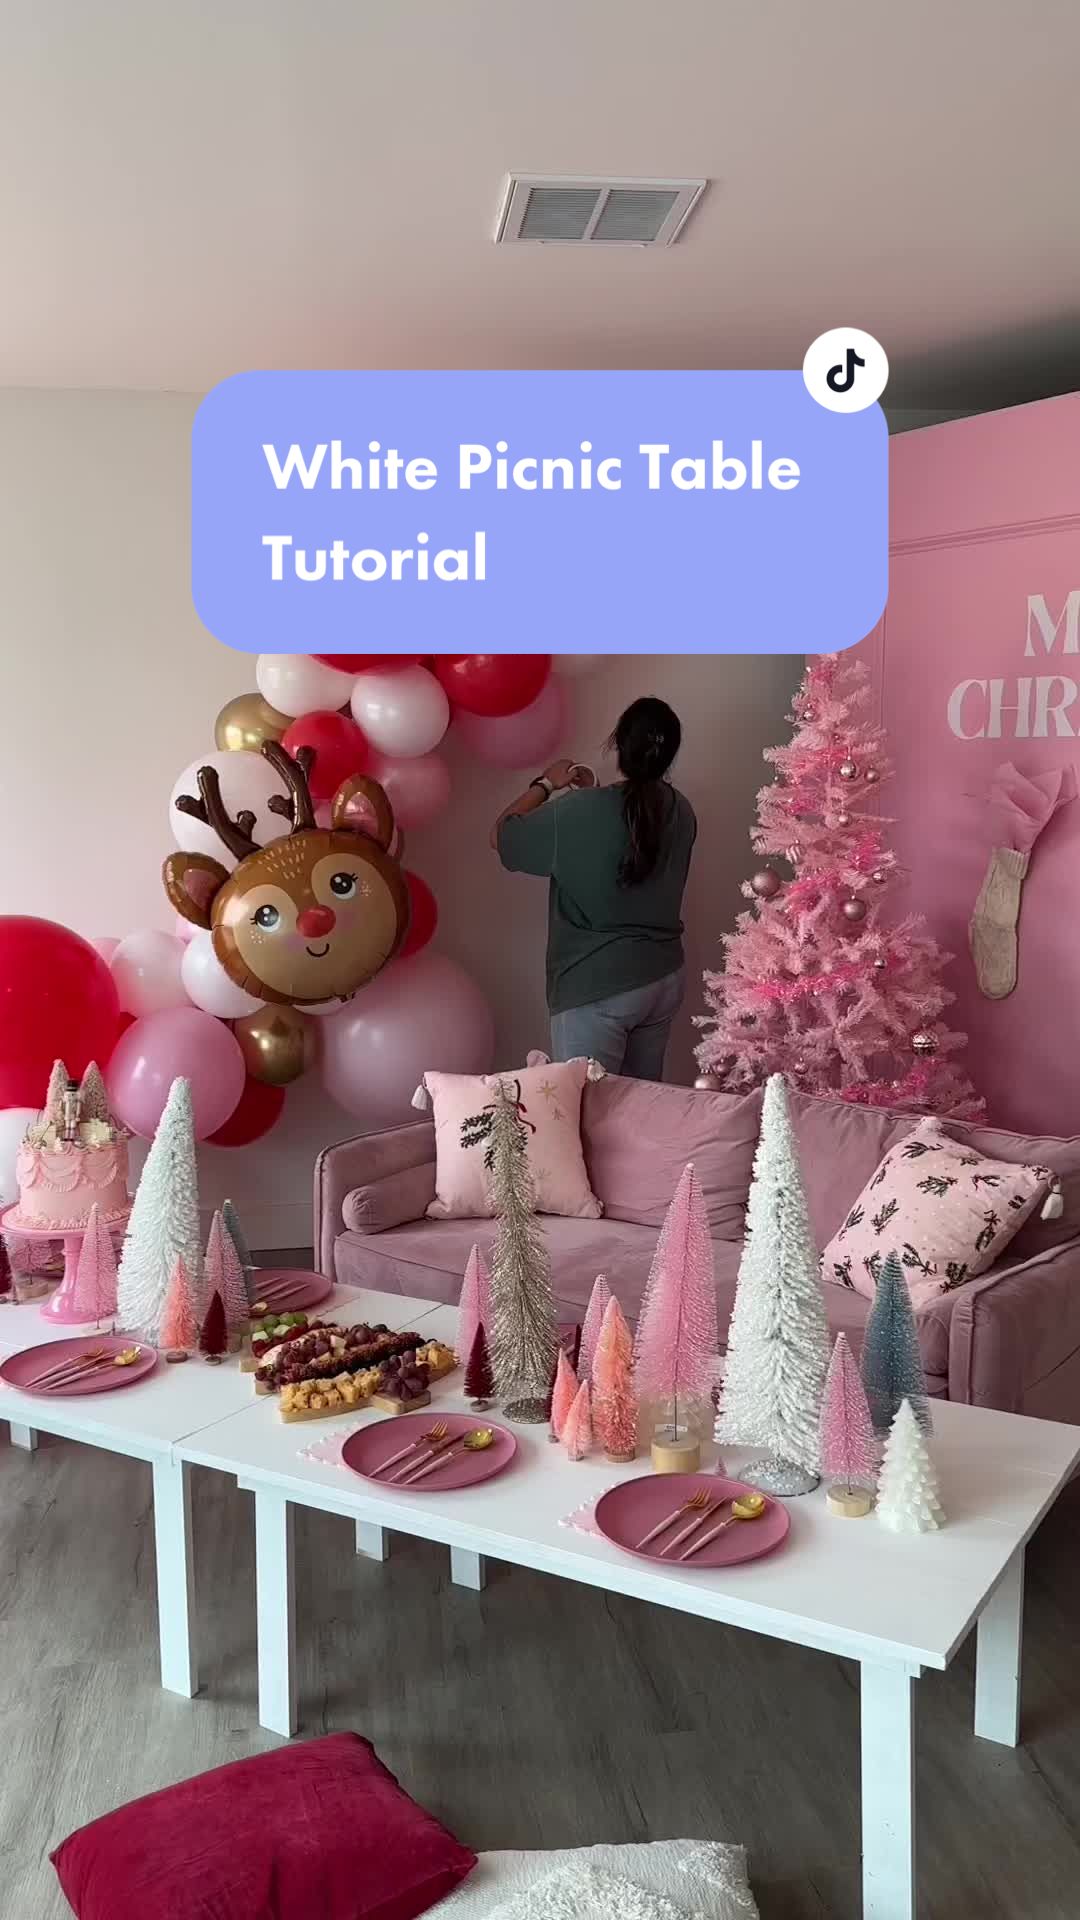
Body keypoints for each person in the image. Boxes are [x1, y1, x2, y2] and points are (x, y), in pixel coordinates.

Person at [492, 696, 696, 1079]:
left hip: (597, 987)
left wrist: (546, 783)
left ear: (619, 746)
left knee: (585, 1109)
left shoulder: (578, 811)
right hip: (662, 978)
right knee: (643, 1105)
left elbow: (502, 836)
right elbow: (628, 838)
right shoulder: (680, 809)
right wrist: (595, 794)